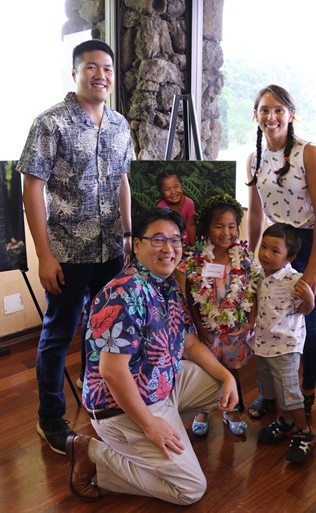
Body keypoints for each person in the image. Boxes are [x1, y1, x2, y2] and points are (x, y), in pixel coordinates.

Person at [66, 207, 238, 504]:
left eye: (175, 240)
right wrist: (149, 423)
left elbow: (190, 343)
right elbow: (113, 372)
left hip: (161, 386)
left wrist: (227, 376)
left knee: (218, 388)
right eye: (158, 240)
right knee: (189, 491)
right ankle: (93, 454)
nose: (169, 248)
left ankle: (160, 435)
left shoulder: (167, 284)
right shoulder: (123, 292)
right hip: (120, 406)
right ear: (137, 245)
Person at [16, 39, 134, 455]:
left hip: (111, 252)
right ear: (75, 72)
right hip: (67, 252)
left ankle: (96, 397)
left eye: (106, 68)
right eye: (91, 67)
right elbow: (31, 187)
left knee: (104, 332)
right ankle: (49, 417)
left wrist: (129, 235)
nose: (100, 74)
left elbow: (123, 179)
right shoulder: (50, 123)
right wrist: (43, 256)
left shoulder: (120, 124)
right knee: (58, 335)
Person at [246, 84, 316, 421]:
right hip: (276, 245)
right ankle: (271, 396)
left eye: (278, 109)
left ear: (291, 114)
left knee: (307, 320)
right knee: (270, 319)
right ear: (256, 115)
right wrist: (249, 252)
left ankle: (305, 394)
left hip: (313, 244)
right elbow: (255, 213)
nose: (271, 116)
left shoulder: (308, 152)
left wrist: (312, 267)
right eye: (264, 110)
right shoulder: (254, 159)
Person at [184, 193, 259, 436]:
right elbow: (191, 295)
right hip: (207, 327)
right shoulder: (197, 259)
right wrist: (199, 327)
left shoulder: (243, 258)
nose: (226, 232)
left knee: (230, 368)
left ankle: (232, 408)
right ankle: (202, 409)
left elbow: (252, 289)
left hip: (234, 328)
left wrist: (250, 321)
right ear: (207, 228)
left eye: (231, 226)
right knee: (207, 368)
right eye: (219, 226)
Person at [249, 223, 316, 463]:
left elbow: (306, 311)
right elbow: (255, 303)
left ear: (290, 257)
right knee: (272, 388)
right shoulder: (259, 275)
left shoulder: (294, 280)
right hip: (263, 343)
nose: (265, 253)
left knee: (288, 391)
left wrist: (309, 298)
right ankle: (285, 422)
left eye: (274, 250)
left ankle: (305, 433)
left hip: (286, 346)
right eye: (264, 247)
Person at [156, 170, 196, 246]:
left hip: (186, 245)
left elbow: (190, 226)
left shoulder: (189, 203)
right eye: (167, 189)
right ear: (161, 192)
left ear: (182, 186)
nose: (173, 192)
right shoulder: (161, 208)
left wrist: (194, 248)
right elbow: (162, 232)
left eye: (176, 186)